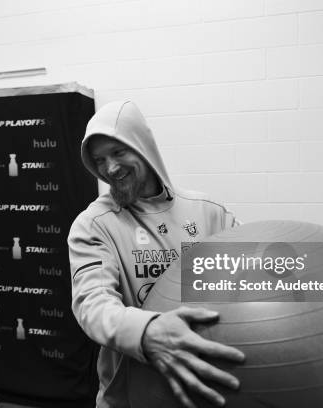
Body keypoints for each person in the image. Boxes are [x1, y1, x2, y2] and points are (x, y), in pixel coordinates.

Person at [68, 101, 244, 408]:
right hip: (130, 399)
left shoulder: (208, 212)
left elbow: (250, 279)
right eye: (99, 159)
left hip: (207, 389)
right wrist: (148, 332)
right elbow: (92, 304)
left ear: (143, 146)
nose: (109, 168)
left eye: (119, 152)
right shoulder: (93, 225)